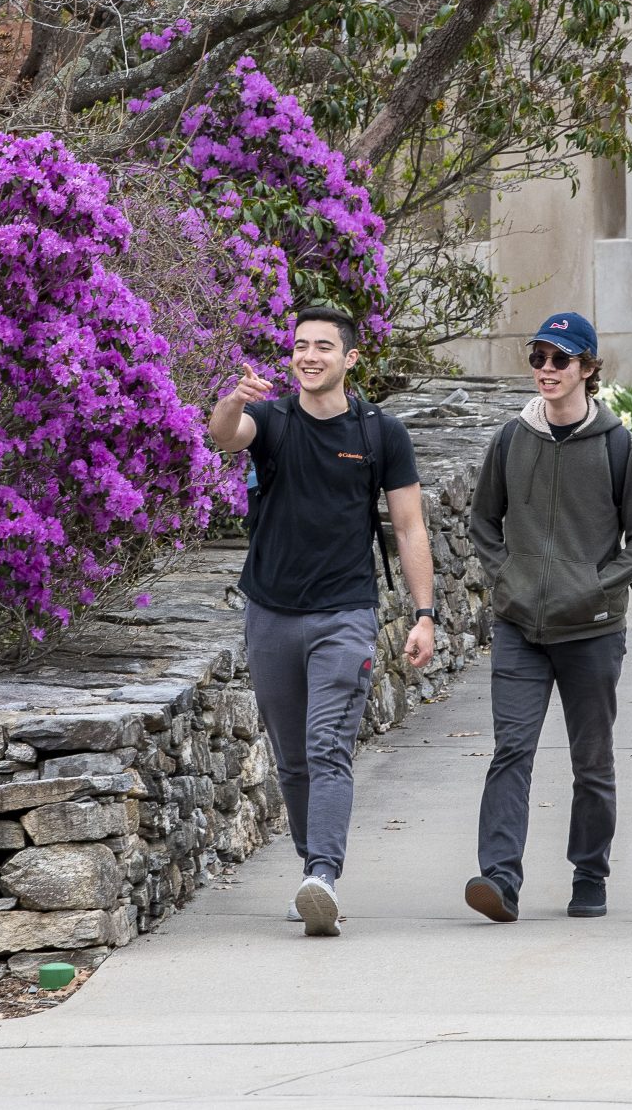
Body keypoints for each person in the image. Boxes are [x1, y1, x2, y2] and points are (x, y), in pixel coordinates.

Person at [208, 306, 436, 938]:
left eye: (324, 348)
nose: (309, 357)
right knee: (291, 760)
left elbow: (410, 526)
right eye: (301, 346)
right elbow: (224, 436)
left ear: (350, 359)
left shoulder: (381, 433)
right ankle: (313, 865)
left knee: (327, 746)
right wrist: (232, 399)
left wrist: (424, 614)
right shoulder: (273, 419)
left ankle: (324, 877)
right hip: (271, 612)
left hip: (345, 613)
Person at [463, 311, 632, 924]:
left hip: (592, 632)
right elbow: (482, 523)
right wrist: (509, 579)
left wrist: (592, 589)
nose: (547, 370)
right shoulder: (510, 439)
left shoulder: (621, 446)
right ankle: (499, 880)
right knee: (510, 751)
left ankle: (590, 873)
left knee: (591, 760)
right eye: (538, 358)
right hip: (521, 627)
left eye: (561, 360)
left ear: (589, 369)